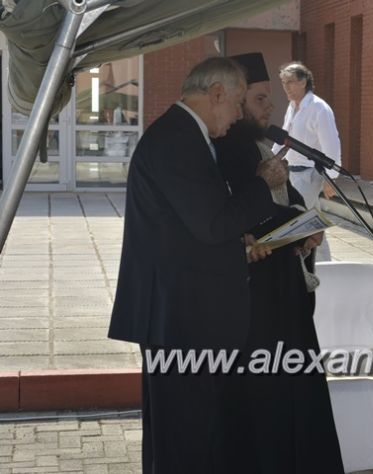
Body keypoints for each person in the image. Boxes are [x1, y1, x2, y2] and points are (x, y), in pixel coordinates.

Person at [108, 57, 289, 473]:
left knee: (186, 434)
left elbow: (191, 226)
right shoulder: (176, 138)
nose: (240, 113)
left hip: (184, 314)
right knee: (183, 438)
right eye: (239, 102)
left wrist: (240, 241)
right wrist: (263, 183)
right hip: (179, 320)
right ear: (217, 94)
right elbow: (212, 223)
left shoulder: (187, 135)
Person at [212, 52, 344, 474]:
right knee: (266, 401)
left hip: (285, 290)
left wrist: (308, 229)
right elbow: (245, 217)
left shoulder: (259, 143)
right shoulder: (227, 150)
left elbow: (288, 202)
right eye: (260, 99)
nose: (271, 108)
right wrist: (296, 227)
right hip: (258, 299)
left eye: (270, 99)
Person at [272, 61, 342, 261]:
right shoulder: (292, 106)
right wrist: (269, 159)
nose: (286, 87)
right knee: (313, 220)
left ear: (303, 82)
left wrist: (331, 178)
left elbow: (332, 145)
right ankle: (324, 264)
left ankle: (301, 263)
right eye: (283, 83)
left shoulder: (319, 108)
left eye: (290, 82)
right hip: (293, 173)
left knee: (298, 221)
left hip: (309, 174)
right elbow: (284, 138)